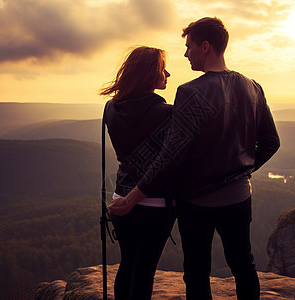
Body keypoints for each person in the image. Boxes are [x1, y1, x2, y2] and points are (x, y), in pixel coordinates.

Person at [109, 17, 280, 299]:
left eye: (188, 47)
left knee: (197, 272)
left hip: (196, 201)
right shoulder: (253, 87)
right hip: (239, 198)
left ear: (205, 47)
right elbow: (271, 142)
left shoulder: (190, 92)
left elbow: (170, 158)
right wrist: (241, 172)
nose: (186, 53)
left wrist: (131, 198)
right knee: (243, 264)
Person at [100, 46, 175, 300]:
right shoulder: (167, 114)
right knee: (144, 273)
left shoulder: (110, 108)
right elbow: (168, 163)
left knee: (128, 265)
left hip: (120, 198)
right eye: (162, 68)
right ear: (149, 74)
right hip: (155, 203)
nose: (167, 73)